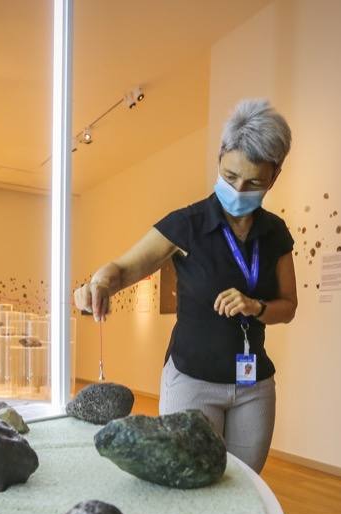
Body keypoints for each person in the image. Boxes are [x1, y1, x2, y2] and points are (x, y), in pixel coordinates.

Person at [73, 99, 297, 473]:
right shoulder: (187, 224)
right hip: (192, 380)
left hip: (253, 386)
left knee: (245, 490)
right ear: (220, 157)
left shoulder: (275, 233)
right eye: (230, 177)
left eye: (254, 182)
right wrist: (99, 282)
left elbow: (288, 306)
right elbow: (126, 267)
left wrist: (255, 306)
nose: (240, 189)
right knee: (188, 483)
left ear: (275, 175)